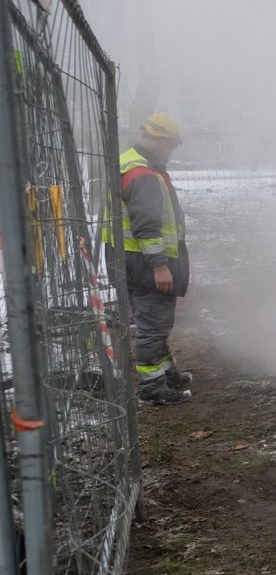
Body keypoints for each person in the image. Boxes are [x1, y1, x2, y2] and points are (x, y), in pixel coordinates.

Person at [108, 113, 192, 405]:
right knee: (152, 325)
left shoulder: (134, 165)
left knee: (156, 323)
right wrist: (160, 266)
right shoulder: (142, 173)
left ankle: (167, 374)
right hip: (146, 264)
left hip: (133, 260)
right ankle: (153, 389)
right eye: (170, 145)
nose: (170, 151)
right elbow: (147, 224)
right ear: (158, 140)